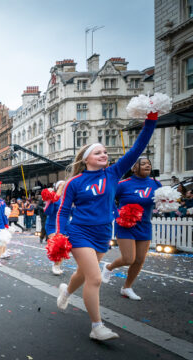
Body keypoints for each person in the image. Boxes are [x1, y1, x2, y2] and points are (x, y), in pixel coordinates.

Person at [55, 111, 157, 340]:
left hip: (103, 234)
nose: (104, 154)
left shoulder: (113, 173)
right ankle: (96, 327)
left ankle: (67, 290)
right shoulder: (75, 182)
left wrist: (151, 120)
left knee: (83, 273)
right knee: (95, 278)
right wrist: (61, 235)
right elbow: (63, 211)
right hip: (79, 233)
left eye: (105, 152)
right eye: (97, 152)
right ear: (86, 159)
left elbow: (137, 148)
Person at [102, 158, 161, 300]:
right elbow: (107, 200)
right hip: (125, 225)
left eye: (149, 163)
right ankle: (109, 267)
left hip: (144, 225)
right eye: (143, 163)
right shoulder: (123, 184)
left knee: (139, 260)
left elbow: (162, 203)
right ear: (134, 168)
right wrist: (118, 213)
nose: (147, 165)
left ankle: (127, 287)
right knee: (129, 258)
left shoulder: (156, 184)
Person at [43, 181, 66, 275]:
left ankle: (57, 265)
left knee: (64, 248)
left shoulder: (68, 197)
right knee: (58, 245)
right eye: (61, 186)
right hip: (52, 225)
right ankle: (55, 265)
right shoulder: (54, 198)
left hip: (64, 225)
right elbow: (48, 212)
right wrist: (51, 201)